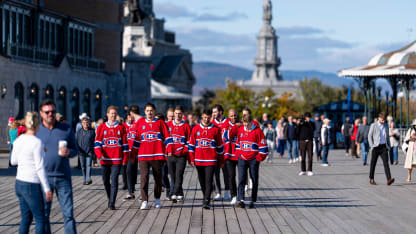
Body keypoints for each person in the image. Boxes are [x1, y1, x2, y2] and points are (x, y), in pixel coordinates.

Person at [37, 99, 78, 234]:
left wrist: (69, 152)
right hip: (44, 179)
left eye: (53, 111)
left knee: (68, 214)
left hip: (63, 178)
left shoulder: (66, 128)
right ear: (41, 113)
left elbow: (75, 149)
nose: (50, 114)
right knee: (44, 215)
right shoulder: (36, 131)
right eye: (47, 112)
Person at [11, 112, 53, 234]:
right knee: (40, 219)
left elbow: (13, 161)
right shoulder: (37, 142)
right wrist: (46, 188)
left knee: (26, 219)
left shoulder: (19, 140)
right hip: (32, 183)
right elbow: (40, 168)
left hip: (19, 182)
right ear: (37, 125)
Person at [129, 103, 173, 210]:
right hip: (143, 156)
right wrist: (132, 155)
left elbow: (167, 137)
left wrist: (170, 149)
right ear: (145, 112)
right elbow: (137, 140)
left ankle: (157, 199)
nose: (149, 112)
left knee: (158, 178)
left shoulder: (160, 123)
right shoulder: (140, 123)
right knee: (144, 178)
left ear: (154, 111)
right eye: (147, 110)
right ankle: (144, 200)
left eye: (151, 110)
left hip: (157, 155)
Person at [188, 109, 224, 209]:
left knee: (209, 180)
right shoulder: (195, 129)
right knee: (202, 181)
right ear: (202, 117)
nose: (207, 119)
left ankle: (207, 200)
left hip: (211, 160)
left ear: (211, 117)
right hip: (199, 160)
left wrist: (221, 161)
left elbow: (220, 147)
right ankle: (205, 195)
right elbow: (191, 145)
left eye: (208, 117)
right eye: (205, 117)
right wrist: (191, 158)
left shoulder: (216, 129)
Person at [95, 106, 129, 210]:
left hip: (116, 159)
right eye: (111, 113)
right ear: (107, 114)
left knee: (114, 180)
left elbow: (125, 145)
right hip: (105, 159)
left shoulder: (121, 127)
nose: (113, 115)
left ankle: (112, 203)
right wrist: (100, 155)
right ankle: (110, 198)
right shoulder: (101, 127)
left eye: (115, 113)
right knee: (105, 181)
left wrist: (125, 159)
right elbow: (97, 143)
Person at [235, 113, 268, 209]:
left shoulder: (258, 131)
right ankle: (241, 200)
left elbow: (263, 147)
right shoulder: (241, 129)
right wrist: (238, 155)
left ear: (251, 122)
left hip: (253, 159)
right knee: (241, 179)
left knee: (254, 180)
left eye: (247, 123)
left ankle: (252, 200)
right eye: (244, 123)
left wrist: (259, 158)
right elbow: (238, 143)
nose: (245, 125)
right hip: (242, 158)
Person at [166, 106, 191, 202]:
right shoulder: (168, 125)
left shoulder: (186, 126)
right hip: (170, 155)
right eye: (176, 113)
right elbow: (164, 139)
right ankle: (180, 193)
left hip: (181, 156)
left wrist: (184, 151)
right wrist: (167, 150)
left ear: (182, 114)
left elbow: (189, 141)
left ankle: (174, 194)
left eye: (179, 113)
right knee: (173, 176)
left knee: (179, 175)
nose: (177, 115)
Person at [211, 104, 233, 201]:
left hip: (225, 152)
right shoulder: (212, 123)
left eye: (215, 112)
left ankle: (227, 191)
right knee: (215, 173)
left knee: (226, 173)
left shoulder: (228, 122)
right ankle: (218, 192)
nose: (214, 114)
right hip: (215, 152)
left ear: (220, 112)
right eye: (213, 112)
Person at [368, 112, 395, 185]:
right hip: (376, 147)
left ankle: (389, 179)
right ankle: (371, 179)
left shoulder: (386, 125)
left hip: (384, 147)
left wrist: (388, 146)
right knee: (373, 164)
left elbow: (387, 137)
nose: (383, 121)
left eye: (384, 120)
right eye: (382, 120)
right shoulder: (373, 125)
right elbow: (369, 136)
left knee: (386, 163)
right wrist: (372, 146)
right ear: (379, 118)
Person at [224, 109, 240, 204]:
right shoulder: (226, 125)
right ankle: (233, 195)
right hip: (229, 155)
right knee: (231, 176)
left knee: (242, 176)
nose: (233, 117)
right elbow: (227, 136)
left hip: (239, 154)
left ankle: (241, 195)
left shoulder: (242, 124)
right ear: (228, 116)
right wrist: (234, 127)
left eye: (235, 115)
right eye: (231, 116)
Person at [76, 115, 95, 185]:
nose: (85, 124)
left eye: (87, 122)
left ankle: (88, 178)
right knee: (83, 167)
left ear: (89, 123)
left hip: (89, 151)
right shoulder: (79, 132)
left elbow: (94, 141)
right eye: (84, 122)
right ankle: (84, 178)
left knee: (88, 165)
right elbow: (76, 140)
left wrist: (93, 150)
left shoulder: (92, 131)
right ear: (81, 123)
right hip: (81, 152)